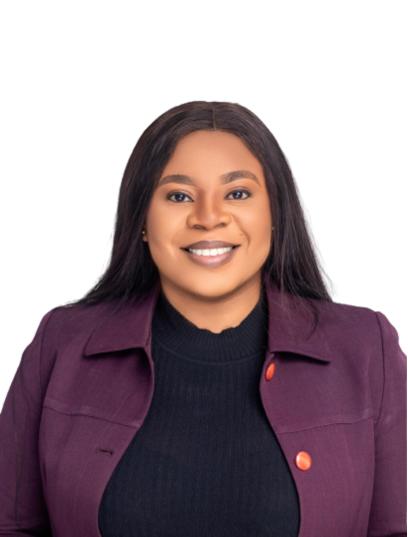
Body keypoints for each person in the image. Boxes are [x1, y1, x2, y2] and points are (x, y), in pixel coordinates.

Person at [0, 100, 406, 537]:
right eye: (179, 196)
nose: (209, 217)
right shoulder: (61, 345)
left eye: (238, 193)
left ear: (274, 214)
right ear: (142, 219)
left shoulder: (366, 349)